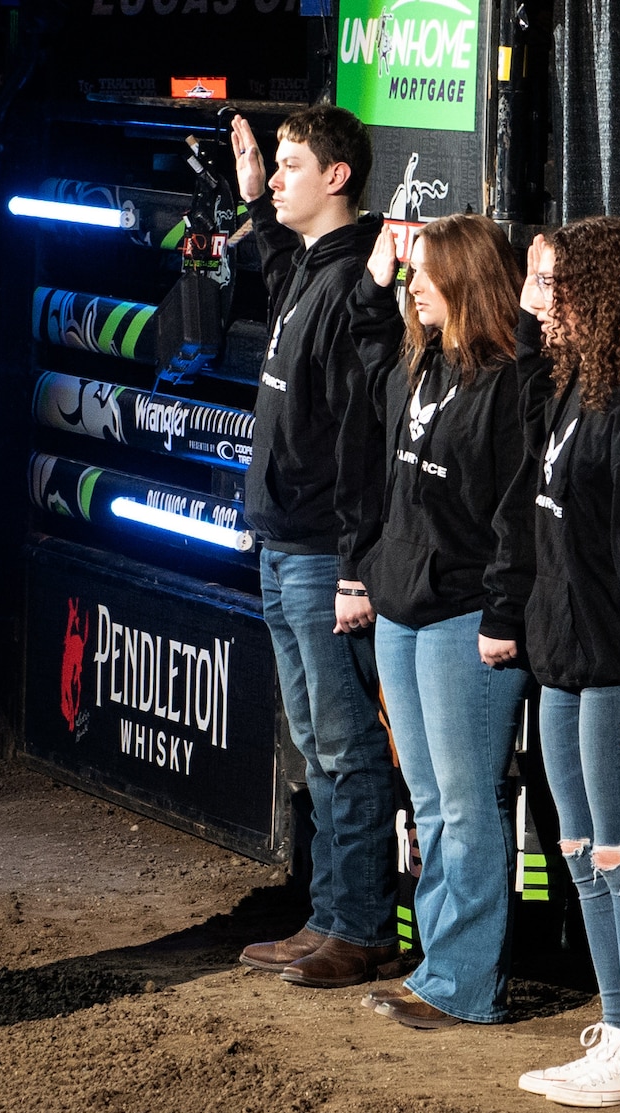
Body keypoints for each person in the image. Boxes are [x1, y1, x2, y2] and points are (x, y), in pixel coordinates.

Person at [498, 217, 620, 1106]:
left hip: (619, 669)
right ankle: (615, 1029)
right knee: (581, 853)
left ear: (601, 298)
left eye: (556, 289)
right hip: (563, 665)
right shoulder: (572, 392)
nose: (539, 306)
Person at [345, 214, 539, 1029]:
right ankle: (438, 967)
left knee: (466, 803)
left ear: (466, 280)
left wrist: (502, 610)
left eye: (426, 272)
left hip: (468, 619)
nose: (412, 285)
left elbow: (516, 514)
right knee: (427, 802)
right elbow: (358, 349)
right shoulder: (415, 365)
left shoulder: (510, 382)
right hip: (404, 609)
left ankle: (467, 981)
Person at [228, 108, 401, 990]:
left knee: (345, 744)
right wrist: (256, 195)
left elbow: (362, 440)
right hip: (281, 544)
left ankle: (362, 925)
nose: (282, 175)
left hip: (318, 555)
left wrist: (351, 567)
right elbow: (271, 257)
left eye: (295, 165)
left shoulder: (347, 285)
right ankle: (332, 914)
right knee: (315, 741)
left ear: (338, 177)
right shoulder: (311, 267)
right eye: (280, 165)